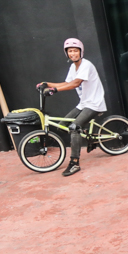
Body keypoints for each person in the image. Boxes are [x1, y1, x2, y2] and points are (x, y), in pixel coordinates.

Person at [37, 37, 107, 177]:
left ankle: (74, 163)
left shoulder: (86, 65)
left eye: (75, 50)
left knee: (74, 128)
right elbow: (66, 83)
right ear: (66, 53)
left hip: (94, 103)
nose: (73, 53)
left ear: (81, 52)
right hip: (83, 103)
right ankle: (87, 135)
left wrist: (54, 90)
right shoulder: (73, 67)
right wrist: (47, 84)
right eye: (70, 51)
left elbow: (75, 84)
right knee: (62, 125)